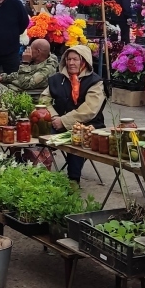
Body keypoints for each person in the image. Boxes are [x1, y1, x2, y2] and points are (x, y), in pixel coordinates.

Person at [39, 44, 106, 184]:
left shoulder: (95, 82)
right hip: (58, 122)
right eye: (69, 59)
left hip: (88, 125)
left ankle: (73, 180)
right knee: (39, 135)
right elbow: (44, 100)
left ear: (84, 61)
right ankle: (39, 174)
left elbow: (89, 109)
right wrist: (54, 117)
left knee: (77, 139)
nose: (71, 63)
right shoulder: (57, 78)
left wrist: (64, 121)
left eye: (75, 59)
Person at [0, 37, 59, 102]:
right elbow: (19, 75)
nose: (27, 50)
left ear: (38, 52)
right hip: (15, 91)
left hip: (22, 97)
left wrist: (25, 63)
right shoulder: (37, 61)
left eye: (30, 48)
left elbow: (25, 84)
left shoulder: (47, 70)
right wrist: (3, 78)